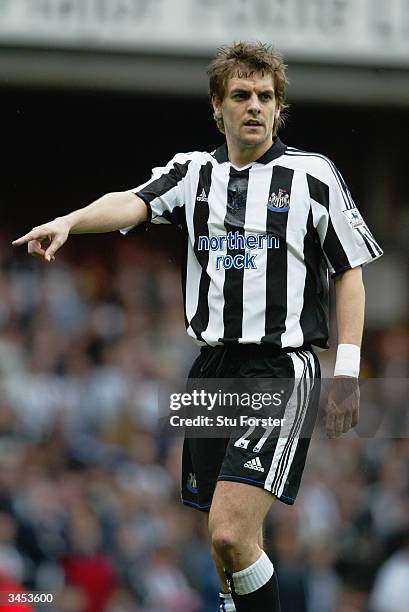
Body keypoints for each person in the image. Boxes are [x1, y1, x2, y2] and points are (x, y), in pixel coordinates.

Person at [13, 42, 382, 612]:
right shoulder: (193, 172)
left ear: (279, 108)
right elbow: (131, 202)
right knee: (221, 541)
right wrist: (70, 220)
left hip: (279, 368)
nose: (254, 106)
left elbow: (349, 275)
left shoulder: (312, 176)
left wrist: (349, 371)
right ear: (218, 106)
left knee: (232, 532)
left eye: (265, 96)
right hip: (210, 368)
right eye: (241, 95)